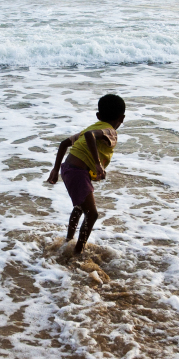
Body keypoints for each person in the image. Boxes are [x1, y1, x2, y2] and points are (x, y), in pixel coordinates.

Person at [46, 94, 126, 255]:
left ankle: (69, 240)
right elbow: (90, 137)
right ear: (122, 118)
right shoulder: (109, 132)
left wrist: (55, 169)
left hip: (68, 168)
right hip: (76, 172)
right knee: (92, 214)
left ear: (98, 116)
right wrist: (97, 163)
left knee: (80, 207)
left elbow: (64, 144)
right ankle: (77, 252)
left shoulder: (90, 128)